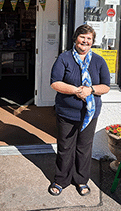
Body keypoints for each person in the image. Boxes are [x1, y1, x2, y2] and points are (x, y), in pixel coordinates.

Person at [49, 24, 110, 196]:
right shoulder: (64, 58)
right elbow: (55, 82)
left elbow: (106, 86)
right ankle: (61, 180)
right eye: (82, 37)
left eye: (89, 38)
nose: (85, 41)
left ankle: (81, 180)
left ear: (92, 42)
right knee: (65, 147)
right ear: (76, 38)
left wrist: (90, 90)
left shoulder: (99, 61)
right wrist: (77, 90)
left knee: (84, 148)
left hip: (90, 114)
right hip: (66, 113)